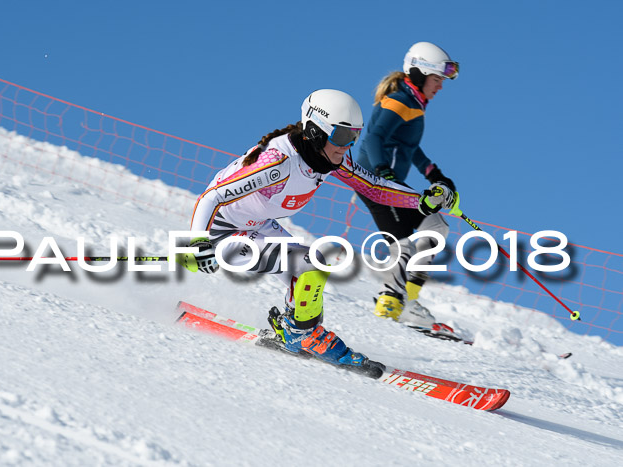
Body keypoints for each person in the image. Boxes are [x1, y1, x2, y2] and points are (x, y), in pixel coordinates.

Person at [182, 89, 455, 376]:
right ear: (314, 131)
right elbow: (212, 197)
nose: (345, 146)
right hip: (221, 230)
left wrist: (421, 200)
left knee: (307, 268)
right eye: (340, 137)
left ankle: (294, 331)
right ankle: (301, 334)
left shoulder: (327, 159)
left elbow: (373, 187)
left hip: (256, 226)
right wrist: (197, 243)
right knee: (310, 264)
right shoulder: (277, 162)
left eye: (353, 137)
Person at [354, 41, 460, 327]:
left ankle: (407, 299)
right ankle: (389, 302)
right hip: (374, 181)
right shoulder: (399, 101)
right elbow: (373, 138)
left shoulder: (414, 104)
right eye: (437, 79)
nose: (440, 86)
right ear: (419, 75)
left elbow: (409, 147)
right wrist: (381, 171)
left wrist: (434, 175)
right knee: (402, 242)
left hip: (389, 181)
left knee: (435, 226)